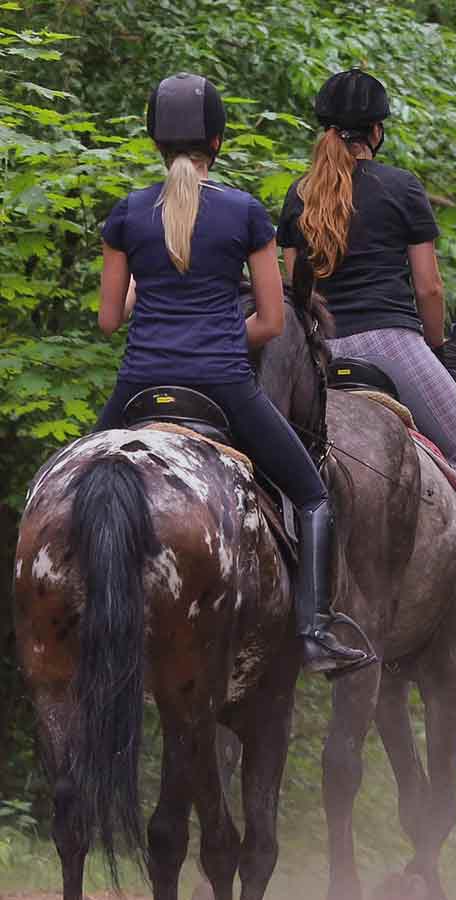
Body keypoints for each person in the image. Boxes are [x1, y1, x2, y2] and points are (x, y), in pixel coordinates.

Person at [95, 73, 372, 674]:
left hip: (138, 384)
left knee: (68, 481)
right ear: (216, 143)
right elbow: (272, 323)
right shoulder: (245, 213)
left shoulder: (126, 215)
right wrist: (217, 337)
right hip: (222, 385)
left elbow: (110, 320)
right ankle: (316, 632)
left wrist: (151, 289)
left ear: (154, 142)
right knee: (313, 495)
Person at [277, 68, 456, 629]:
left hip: (321, 354)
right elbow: (429, 287)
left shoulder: (299, 195)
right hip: (390, 343)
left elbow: (294, 292)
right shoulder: (401, 187)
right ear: (376, 130)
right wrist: (436, 346)